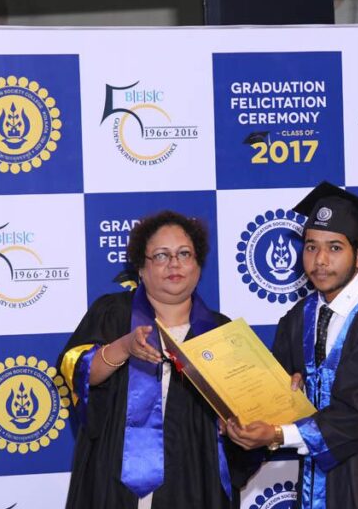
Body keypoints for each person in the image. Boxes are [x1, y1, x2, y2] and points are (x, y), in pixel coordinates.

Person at [226, 182, 358, 509]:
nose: (320, 260)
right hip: (322, 479)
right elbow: (273, 387)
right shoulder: (300, 317)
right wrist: (241, 412)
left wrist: (278, 434)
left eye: (335, 248)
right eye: (311, 247)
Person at [58, 210, 249, 509]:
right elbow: (79, 371)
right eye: (161, 255)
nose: (174, 263)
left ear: (198, 266)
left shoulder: (222, 332)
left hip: (195, 475)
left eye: (184, 254)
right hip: (114, 472)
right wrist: (124, 347)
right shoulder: (113, 313)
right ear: (141, 268)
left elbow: (246, 409)